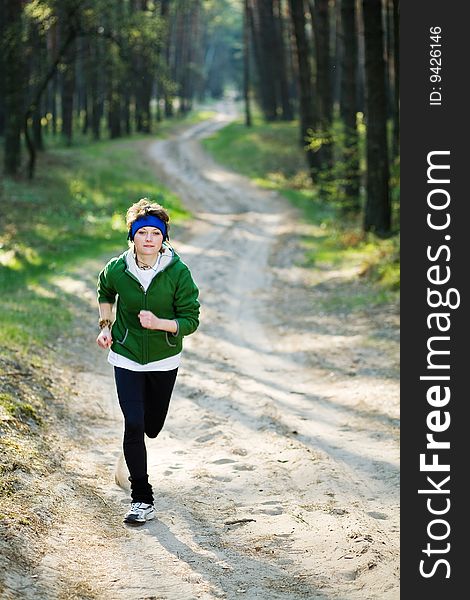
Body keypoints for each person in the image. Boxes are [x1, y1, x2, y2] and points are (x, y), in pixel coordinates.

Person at [96, 198, 200, 525]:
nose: (150, 239)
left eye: (156, 233)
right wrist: (105, 326)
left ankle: (131, 452)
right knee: (134, 423)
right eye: (143, 233)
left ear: (164, 238)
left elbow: (191, 319)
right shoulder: (118, 268)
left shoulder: (178, 272)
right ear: (133, 238)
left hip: (163, 358)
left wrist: (161, 323)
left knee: (151, 427)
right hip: (125, 354)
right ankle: (142, 498)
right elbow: (104, 291)